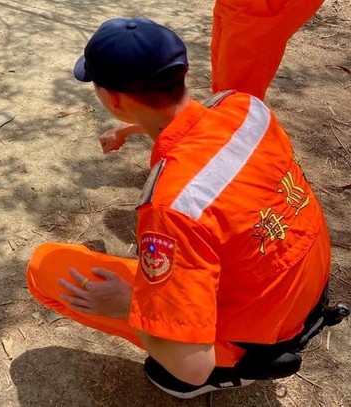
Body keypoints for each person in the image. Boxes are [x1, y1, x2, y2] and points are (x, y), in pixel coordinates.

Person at [25, 17, 346, 399]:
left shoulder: (173, 207)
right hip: (303, 295)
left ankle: (232, 371)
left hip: (254, 341)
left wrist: (128, 304)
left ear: (112, 99)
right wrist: (132, 129)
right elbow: (196, 120)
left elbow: (192, 366)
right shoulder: (246, 109)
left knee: (45, 268)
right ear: (183, 72)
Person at [101, 0, 325, 154]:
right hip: (240, 5)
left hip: (260, 7)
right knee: (225, 98)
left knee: (234, 110)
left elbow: (228, 123)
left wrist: (128, 128)